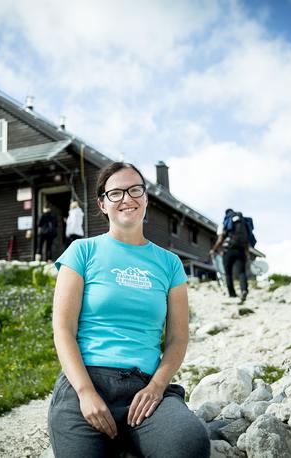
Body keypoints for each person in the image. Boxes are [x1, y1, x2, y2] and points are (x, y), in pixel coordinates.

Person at [48, 162, 210, 458]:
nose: (127, 198)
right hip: (86, 381)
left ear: (146, 198)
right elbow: (63, 329)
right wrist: (85, 393)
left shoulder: (170, 264)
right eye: (116, 192)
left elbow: (177, 338)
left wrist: (158, 386)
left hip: (145, 388)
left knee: (189, 444)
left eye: (135, 189)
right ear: (102, 204)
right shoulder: (82, 252)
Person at [210, 208, 249, 303]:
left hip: (228, 250)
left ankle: (232, 294)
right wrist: (246, 252)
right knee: (242, 272)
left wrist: (213, 249)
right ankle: (244, 290)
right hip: (241, 250)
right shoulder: (242, 222)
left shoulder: (225, 222)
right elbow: (247, 239)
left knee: (228, 273)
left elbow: (220, 239)